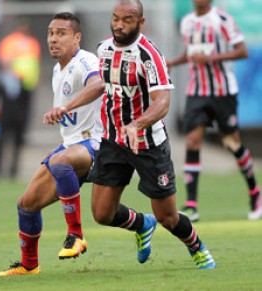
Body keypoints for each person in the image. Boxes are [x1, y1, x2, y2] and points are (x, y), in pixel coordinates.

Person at [56, 0, 215, 269]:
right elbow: (100, 86)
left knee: (167, 216)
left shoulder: (149, 55)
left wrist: (136, 125)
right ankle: (143, 225)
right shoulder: (103, 49)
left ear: (141, 23)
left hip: (148, 144)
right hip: (113, 141)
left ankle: (197, 247)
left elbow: (162, 101)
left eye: (127, 19)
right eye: (115, 18)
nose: (119, 24)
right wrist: (67, 106)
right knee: (102, 214)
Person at [0, 12, 104, 276]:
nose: (53, 39)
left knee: (62, 162)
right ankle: (29, 264)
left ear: (77, 37)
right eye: (50, 33)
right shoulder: (58, 69)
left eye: (61, 33)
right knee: (26, 204)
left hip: (95, 143)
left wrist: (64, 107)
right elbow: (72, 123)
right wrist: (61, 143)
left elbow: (99, 85)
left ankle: (76, 235)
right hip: (71, 145)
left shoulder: (86, 60)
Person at [167, 0, 261, 221]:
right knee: (192, 141)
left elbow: (242, 51)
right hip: (197, 92)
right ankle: (191, 204)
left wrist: (211, 58)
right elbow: (191, 53)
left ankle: (255, 194)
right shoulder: (187, 22)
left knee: (231, 143)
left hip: (222, 92)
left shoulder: (222, 20)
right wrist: (173, 61)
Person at [0, 24, 41, 178]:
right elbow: (5, 61)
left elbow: (35, 64)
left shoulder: (33, 43)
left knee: (19, 133)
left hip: (26, 89)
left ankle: (13, 170)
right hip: (12, 91)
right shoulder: (9, 42)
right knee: (4, 133)